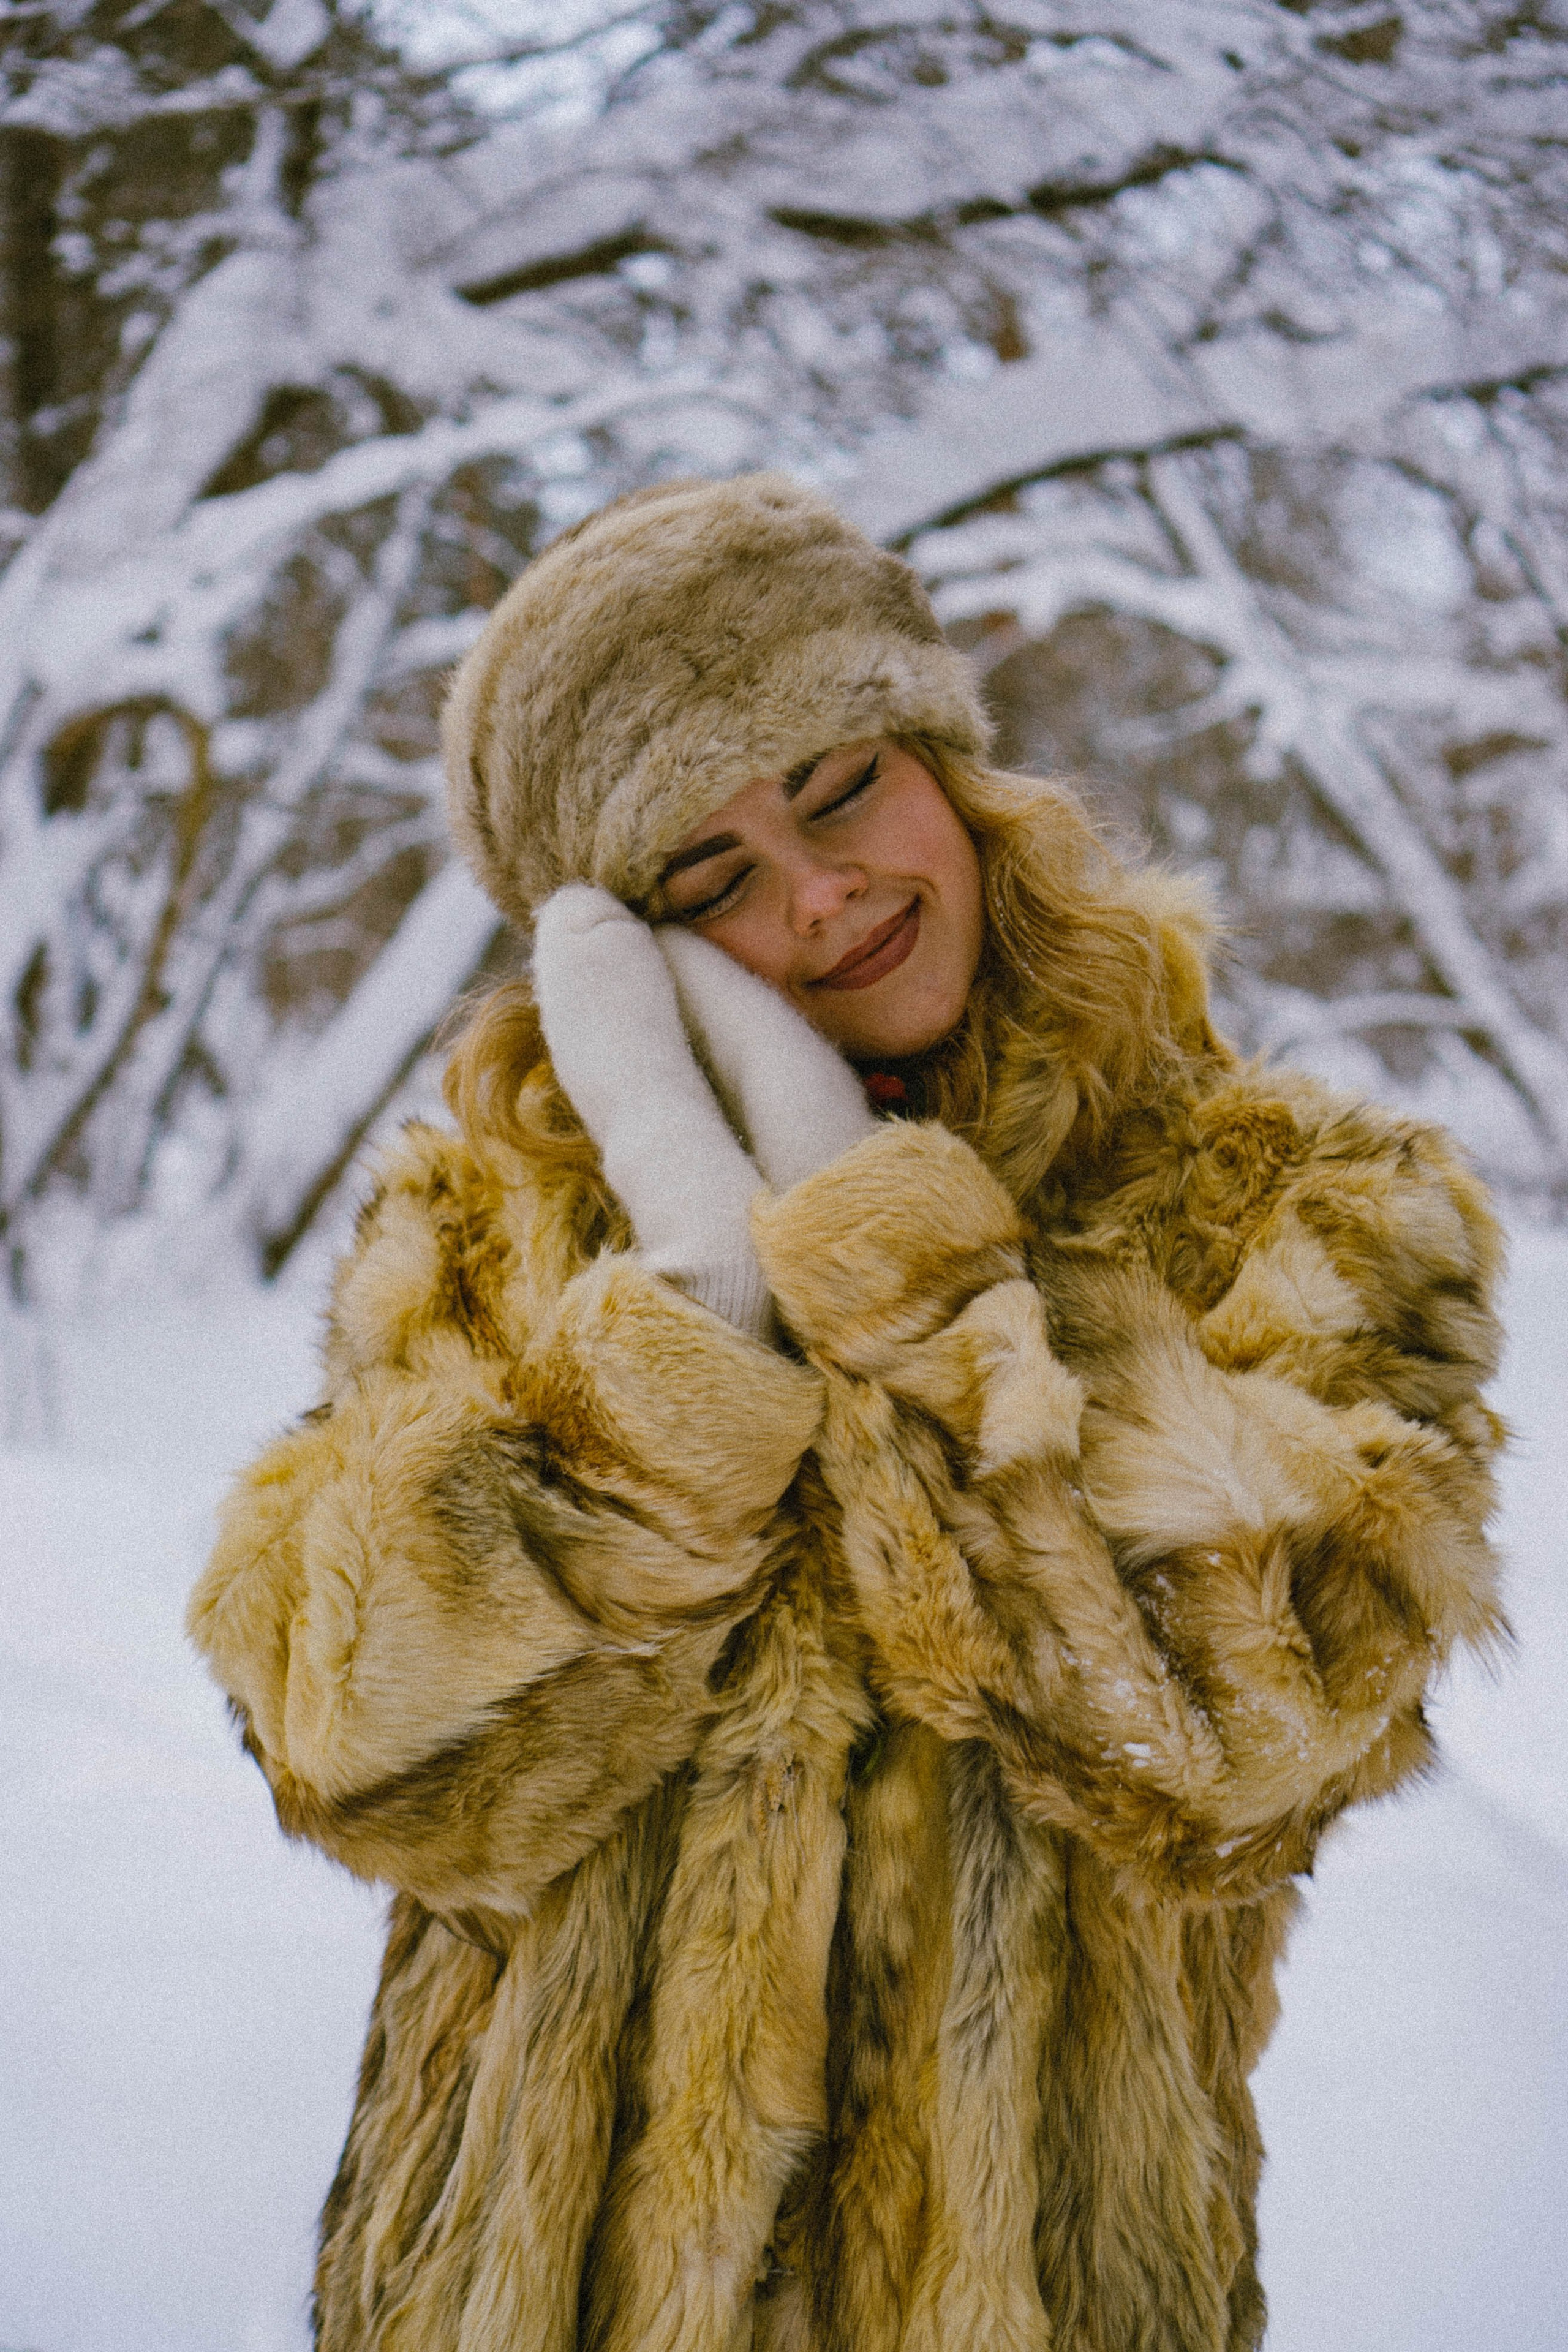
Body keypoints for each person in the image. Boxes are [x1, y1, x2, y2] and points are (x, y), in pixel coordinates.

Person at [187, 474, 1506, 2352]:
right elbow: (348, 1748)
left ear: (951, 770)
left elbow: (1241, 1738)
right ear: (622, 948)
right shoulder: (488, 1228)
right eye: (707, 878)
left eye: (839, 791)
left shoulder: (1292, 1205)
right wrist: (676, 1353)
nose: (820, 898)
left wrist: (917, 1290)